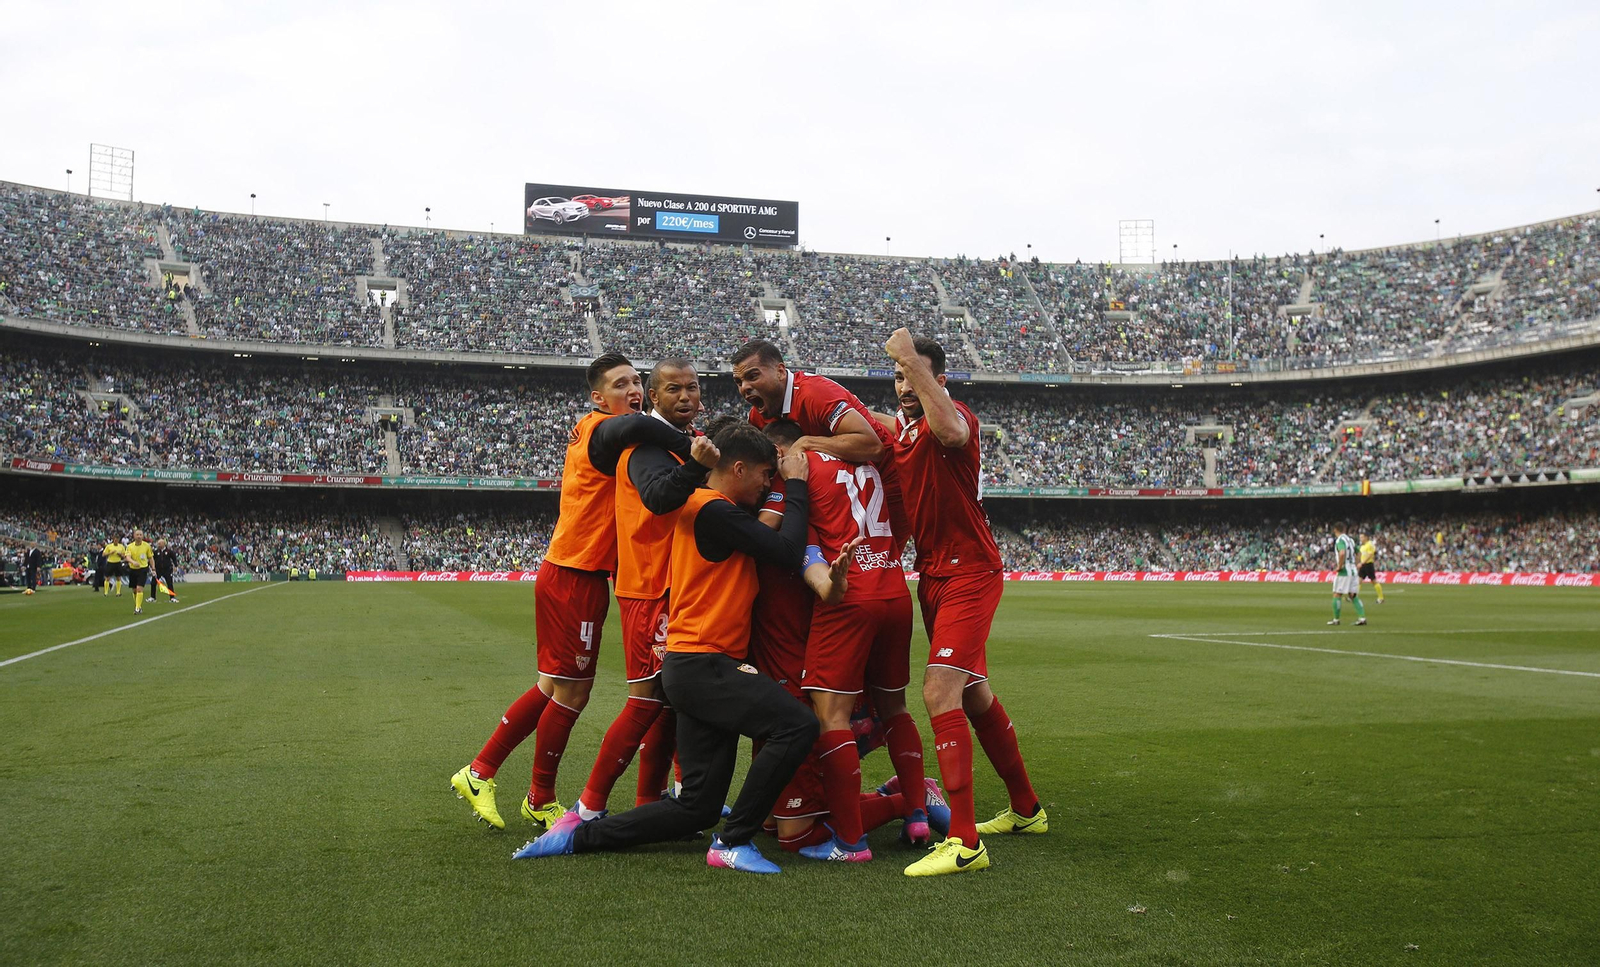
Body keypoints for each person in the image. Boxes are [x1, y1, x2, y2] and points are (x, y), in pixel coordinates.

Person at [515, 424, 819, 875]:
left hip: (690, 668)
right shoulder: (713, 511)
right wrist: (795, 483)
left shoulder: (704, 505)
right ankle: (734, 841)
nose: (767, 484)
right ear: (737, 468)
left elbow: (759, 537)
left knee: (696, 807)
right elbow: (789, 549)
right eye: (764, 475)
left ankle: (577, 836)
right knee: (796, 726)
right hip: (706, 666)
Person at [450, 353, 700, 831]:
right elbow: (629, 431)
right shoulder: (598, 428)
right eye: (619, 384)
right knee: (573, 692)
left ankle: (481, 772)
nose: (632, 391)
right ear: (597, 397)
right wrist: (692, 446)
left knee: (553, 685)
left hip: (578, 573)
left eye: (634, 383)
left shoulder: (608, 432)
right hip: (574, 574)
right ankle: (540, 796)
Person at [882, 328, 1045, 877]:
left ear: (939, 380)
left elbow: (948, 429)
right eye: (900, 376)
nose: (906, 384)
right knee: (974, 694)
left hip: (970, 573)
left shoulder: (956, 417)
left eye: (917, 375)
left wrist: (910, 356)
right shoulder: (904, 431)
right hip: (933, 576)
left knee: (938, 691)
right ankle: (1028, 810)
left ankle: (966, 841)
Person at [763, 418, 930, 862]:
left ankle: (851, 842)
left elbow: (784, 535)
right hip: (895, 589)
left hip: (849, 596)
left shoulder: (796, 468)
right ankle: (916, 810)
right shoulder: (868, 461)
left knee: (828, 714)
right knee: (895, 707)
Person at [572, 358, 717, 820]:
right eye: (673, 389)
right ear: (654, 397)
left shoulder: (682, 442)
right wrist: (696, 466)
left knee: (674, 702)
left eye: (692, 388)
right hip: (650, 588)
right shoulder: (643, 445)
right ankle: (587, 808)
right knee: (645, 701)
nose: (685, 397)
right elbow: (658, 498)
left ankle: (651, 803)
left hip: (678, 586)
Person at [1329, 524, 1367, 626]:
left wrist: (1340, 566)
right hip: (1353, 570)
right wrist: (1356, 563)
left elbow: (1342, 553)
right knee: (1353, 595)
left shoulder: (1340, 540)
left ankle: (1336, 620)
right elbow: (1359, 552)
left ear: (1335, 529)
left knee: (1337, 594)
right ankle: (1362, 617)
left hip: (1344, 571)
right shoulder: (1350, 540)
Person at [125, 529, 154, 615]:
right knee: (134, 590)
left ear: (143, 536)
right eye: (137, 535)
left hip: (143, 569)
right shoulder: (130, 546)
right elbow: (127, 557)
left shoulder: (147, 546)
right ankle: (139, 606)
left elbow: (151, 558)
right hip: (133, 569)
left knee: (139, 589)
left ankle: (137, 608)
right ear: (134, 536)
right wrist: (133, 562)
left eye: (140, 534)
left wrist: (153, 568)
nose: (139, 536)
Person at [1358, 533, 1384, 604]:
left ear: (1366, 537)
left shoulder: (1370, 544)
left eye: (1362, 537)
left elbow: (1370, 555)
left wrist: (1362, 563)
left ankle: (1381, 598)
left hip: (1368, 565)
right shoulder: (1363, 546)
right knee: (1358, 581)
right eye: (1360, 537)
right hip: (1363, 565)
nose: (1360, 539)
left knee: (1373, 581)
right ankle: (1354, 597)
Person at [153, 539, 179, 604]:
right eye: (158, 543)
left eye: (160, 543)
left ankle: (172, 597)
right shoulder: (156, 552)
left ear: (164, 544)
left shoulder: (169, 551)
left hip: (167, 570)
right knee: (153, 582)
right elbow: (152, 559)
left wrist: (175, 566)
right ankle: (152, 597)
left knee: (169, 583)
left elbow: (174, 559)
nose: (158, 545)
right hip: (158, 570)